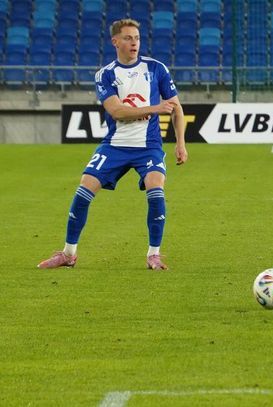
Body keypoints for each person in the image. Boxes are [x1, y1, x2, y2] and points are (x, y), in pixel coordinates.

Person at [38, 19, 188, 270]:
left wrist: (180, 143)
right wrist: (155, 108)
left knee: (156, 188)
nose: (134, 43)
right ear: (115, 41)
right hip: (115, 145)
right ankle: (68, 254)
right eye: (128, 38)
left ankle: (154, 254)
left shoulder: (156, 68)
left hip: (149, 146)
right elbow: (117, 111)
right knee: (84, 190)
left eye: (137, 38)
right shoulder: (105, 74)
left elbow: (176, 108)